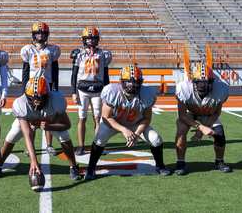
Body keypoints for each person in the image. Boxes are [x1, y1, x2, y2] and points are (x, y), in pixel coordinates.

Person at [0, 76, 81, 183]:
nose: (37, 102)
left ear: (48, 94)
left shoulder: (56, 100)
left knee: (64, 136)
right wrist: (34, 161)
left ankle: (73, 167)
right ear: (26, 95)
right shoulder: (20, 103)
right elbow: (27, 133)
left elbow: (66, 124)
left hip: (48, 121)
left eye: (41, 98)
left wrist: (49, 127)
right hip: (28, 120)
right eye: (33, 98)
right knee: (12, 136)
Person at [85, 64, 171, 180]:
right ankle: (91, 168)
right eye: (129, 83)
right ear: (121, 82)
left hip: (136, 123)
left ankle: (160, 166)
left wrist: (136, 134)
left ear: (140, 82)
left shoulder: (147, 93)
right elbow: (106, 117)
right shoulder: (112, 91)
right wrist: (124, 130)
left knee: (156, 139)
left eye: (135, 83)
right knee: (99, 139)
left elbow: (147, 118)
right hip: (113, 122)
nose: (132, 86)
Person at [174, 48, 232, 175]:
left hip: (209, 114)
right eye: (200, 83)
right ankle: (180, 162)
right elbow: (182, 115)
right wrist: (200, 127)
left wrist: (205, 127)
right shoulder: (184, 88)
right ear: (193, 81)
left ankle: (219, 161)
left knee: (220, 134)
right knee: (181, 130)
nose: (203, 86)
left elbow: (217, 112)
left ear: (213, 81)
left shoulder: (221, 89)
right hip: (190, 114)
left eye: (206, 83)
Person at [20, 22, 61, 155]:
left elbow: (55, 70)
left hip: (47, 86)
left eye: (43, 33)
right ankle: (29, 146)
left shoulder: (52, 49)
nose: (40, 35)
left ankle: (49, 145)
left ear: (47, 34)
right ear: (33, 34)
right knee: (32, 118)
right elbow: (25, 70)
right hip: (31, 87)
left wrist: (55, 86)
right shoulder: (28, 50)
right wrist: (24, 89)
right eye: (38, 32)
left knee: (48, 116)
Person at [70, 26, 111, 155]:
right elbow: (74, 74)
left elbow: (105, 74)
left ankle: (97, 144)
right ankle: (81, 146)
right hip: (82, 90)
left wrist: (107, 91)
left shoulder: (103, 54)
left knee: (98, 118)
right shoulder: (79, 54)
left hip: (98, 89)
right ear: (84, 40)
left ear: (97, 39)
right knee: (82, 118)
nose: (91, 41)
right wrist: (73, 92)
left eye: (93, 39)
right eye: (88, 39)